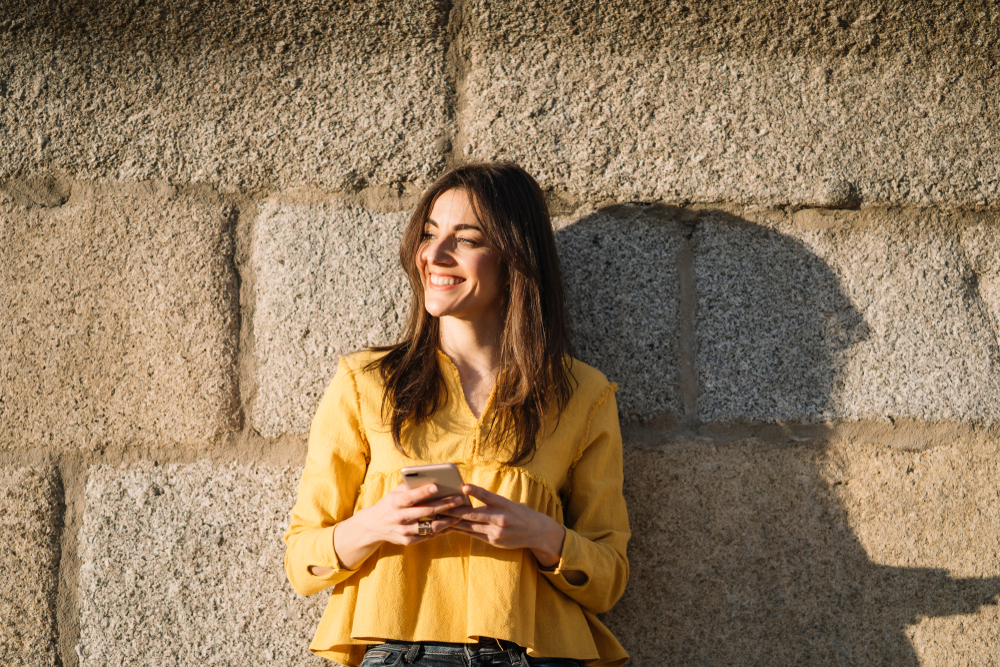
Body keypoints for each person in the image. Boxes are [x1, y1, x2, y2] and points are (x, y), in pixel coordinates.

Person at [284, 162, 630, 667]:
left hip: (538, 656)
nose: (434, 254)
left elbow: (608, 579)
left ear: (515, 257)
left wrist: (540, 534)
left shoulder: (582, 393)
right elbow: (302, 561)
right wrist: (378, 523)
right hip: (403, 654)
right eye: (428, 234)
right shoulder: (366, 382)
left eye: (465, 239)